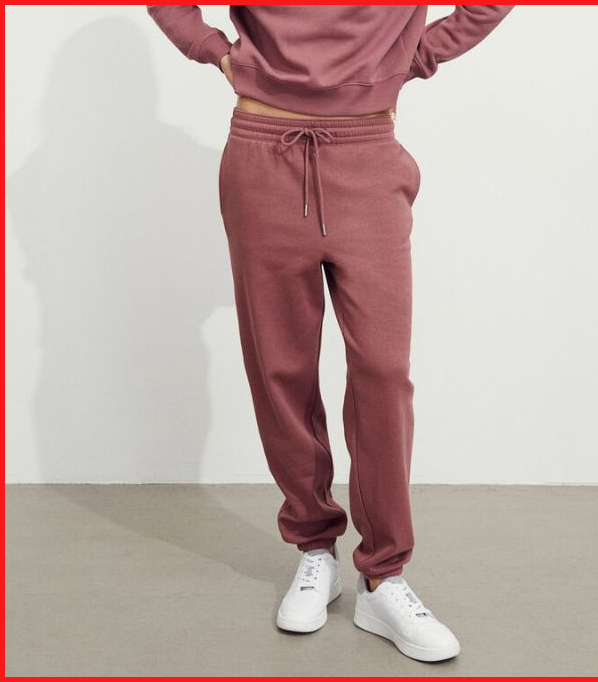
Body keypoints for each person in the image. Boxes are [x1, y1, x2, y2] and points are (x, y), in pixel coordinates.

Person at [147, 4, 515, 663]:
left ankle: (383, 576)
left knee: (383, 373)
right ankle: (314, 548)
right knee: (280, 368)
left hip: (367, 155)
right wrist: (212, 48)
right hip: (263, 153)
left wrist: (414, 56)